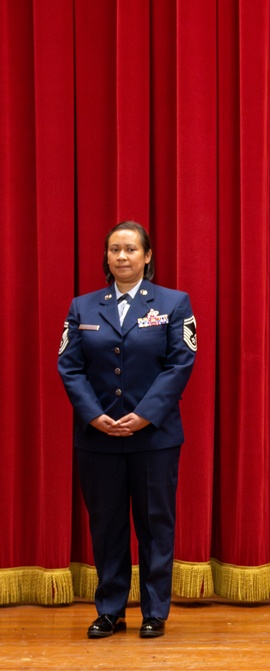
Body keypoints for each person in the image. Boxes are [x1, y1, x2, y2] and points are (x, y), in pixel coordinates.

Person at [57, 220, 197, 641]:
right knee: (107, 524)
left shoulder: (174, 304)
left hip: (154, 437)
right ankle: (111, 609)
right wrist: (93, 414)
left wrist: (146, 414)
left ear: (147, 256)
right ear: (106, 257)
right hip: (97, 437)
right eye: (115, 249)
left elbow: (180, 364)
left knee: (156, 524)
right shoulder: (82, 307)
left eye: (131, 249)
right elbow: (70, 366)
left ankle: (154, 611)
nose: (122, 257)